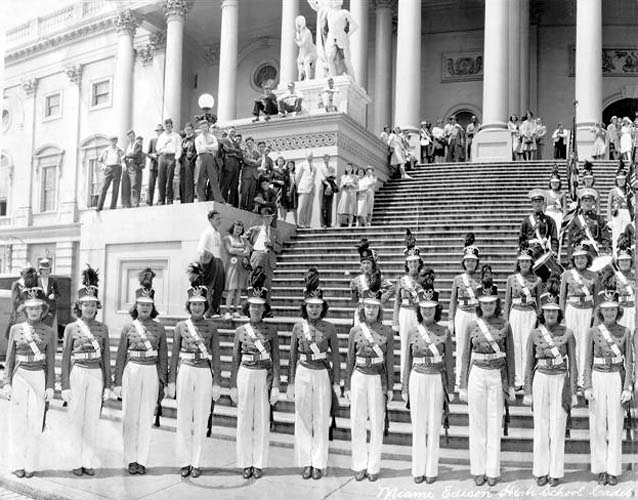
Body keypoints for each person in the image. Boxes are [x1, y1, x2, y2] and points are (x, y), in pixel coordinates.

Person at [522, 276, 577, 487]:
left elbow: (574, 362)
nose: (551, 313)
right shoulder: (535, 333)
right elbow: (528, 364)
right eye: (547, 310)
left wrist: (573, 392)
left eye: (554, 310)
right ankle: (540, 470)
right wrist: (527, 391)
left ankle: (555, 472)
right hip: (541, 378)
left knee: (557, 426)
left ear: (559, 312)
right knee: (541, 426)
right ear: (542, 313)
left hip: (560, 380)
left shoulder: (568, 333)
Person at [167, 265, 222, 479]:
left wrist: (217, 381)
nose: (197, 307)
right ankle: (184, 460)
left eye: (201, 304)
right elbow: (173, 355)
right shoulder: (180, 326)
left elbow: (216, 357)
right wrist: (171, 380)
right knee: (183, 417)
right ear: (188, 306)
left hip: (204, 373)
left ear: (205, 305)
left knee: (201, 417)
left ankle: (197, 461)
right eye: (194, 304)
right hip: (186, 370)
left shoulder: (212, 327)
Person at [459, 285, 515, 487]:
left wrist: (510, 384)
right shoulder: (471, 325)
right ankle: (478, 470)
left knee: (494, 423)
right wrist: (463, 385)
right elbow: (465, 355)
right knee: (477, 423)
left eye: (492, 302)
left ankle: (492, 470)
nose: (488, 306)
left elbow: (510, 356)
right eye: (485, 303)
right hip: (477, 373)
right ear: (479, 305)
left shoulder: (505, 325)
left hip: (497, 374)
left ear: (497, 304)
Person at [286, 268, 340, 480]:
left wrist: (336, 382)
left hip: (321, 374)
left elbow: (336, 357)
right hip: (302, 373)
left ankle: (319, 463)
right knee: (302, 417)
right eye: (311, 306)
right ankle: (306, 462)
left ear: (323, 307)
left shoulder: (330, 328)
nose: (314, 310)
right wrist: (290, 382)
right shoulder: (298, 328)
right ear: (305, 307)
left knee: (320, 417)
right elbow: (291, 357)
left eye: (318, 306)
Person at [113, 269, 168, 475]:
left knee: (145, 416)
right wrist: (117, 381)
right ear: (136, 306)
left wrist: (164, 380)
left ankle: (142, 459)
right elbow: (120, 356)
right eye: (141, 304)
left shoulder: (159, 328)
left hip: (151, 372)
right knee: (129, 415)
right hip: (132, 370)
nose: (145, 307)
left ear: (153, 307)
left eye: (148, 305)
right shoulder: (128, 327)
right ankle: (129, 459)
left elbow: (163, 357)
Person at [60, 265, 112, 476]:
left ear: (97, 306)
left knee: (92, 419)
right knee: (76, 418)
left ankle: (88, 461)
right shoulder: (71, 328)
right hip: (78, 373)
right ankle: (75, 461)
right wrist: (64, 385)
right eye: (85, 305)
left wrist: (108, 384)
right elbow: (64, 359)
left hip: (96, 374)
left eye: (92, 305)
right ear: (79, 306)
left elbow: (107, 358)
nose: (89, 309)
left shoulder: (103, 328)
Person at [229, 271, 280, 480]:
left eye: (260, 306)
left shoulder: (272, 330)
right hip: (245, 373)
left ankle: (258, 462)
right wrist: (232, 384)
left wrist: (276, 385)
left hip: (262, 375)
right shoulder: (240, 331)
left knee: (261, 419)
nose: (256, 309)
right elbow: (234, 360)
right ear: (247, 308)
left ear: (264, 309)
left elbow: (276, 360)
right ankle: (245, 462)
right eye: (253, 305)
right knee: (244, 418)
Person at [3, 284, 56, 478]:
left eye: (37, 308)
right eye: (30, 308)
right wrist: (6, 382)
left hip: (38, 376)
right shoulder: (16, 329)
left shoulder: (49, 331)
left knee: (35, 421)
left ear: (43, 310)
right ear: (25, 310)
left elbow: (50, 361)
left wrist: (50, 385)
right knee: (17, 421)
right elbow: (9, 358)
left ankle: (31, 464)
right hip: (20, 375)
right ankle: (17, 463)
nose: (34, 311)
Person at [583, 284, 633, 486]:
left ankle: (613, 470)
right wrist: (586, 385)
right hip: (597, 376)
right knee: (597, 426)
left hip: (616, 378)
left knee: (615, 425)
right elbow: (586, 361)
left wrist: (628, 387)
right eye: (606, 309)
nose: (610, 312)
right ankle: (600, 468)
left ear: (618, 310)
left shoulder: (625, 331)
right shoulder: (593, 331)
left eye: (613, 309)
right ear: (600, 311)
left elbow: (629, 362)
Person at [402, 287, 454, 484]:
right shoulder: (413, 331)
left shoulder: (445, 332)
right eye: (424, 308)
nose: (427, 311)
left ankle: (431, 469)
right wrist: (405, 387)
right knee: (418, 425)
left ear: (436, 309)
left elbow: (449, 362)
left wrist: (450, 389)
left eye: (431, 308)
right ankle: (418, 469)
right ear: (419, 309)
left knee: (433, 425)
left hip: (436, 379)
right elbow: (406, 361)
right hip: (417, 377)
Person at [344, 287, 394, 482]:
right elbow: (349, 359)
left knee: (376, 422)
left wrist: (390, 387)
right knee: (357, 421)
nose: (371, 310)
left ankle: (373, 466)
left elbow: (390, 362)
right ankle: (359, 464)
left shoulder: (387, 332)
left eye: (374, 307)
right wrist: (347, 385)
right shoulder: (355, 331)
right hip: (359, 376)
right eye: (367, 307)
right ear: (362, 308)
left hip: (377, 378)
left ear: (379, 309)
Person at [559, 241, 600, 390]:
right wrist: (562, 317)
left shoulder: (594, 275)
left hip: (587, 311)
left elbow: (597, 300)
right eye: (577, 258)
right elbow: (562, 298)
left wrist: (595, 318)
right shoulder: (566, 275)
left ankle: (584, 379)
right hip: (572, 310)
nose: (580, 260)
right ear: (573, 260)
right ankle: (573, 378)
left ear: (587, 259)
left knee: (585, 344)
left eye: (582, 257)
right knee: (572, 344)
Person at [504, 240, 541, 390]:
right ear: (518, 263)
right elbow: (507, 302)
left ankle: (528, 378)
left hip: (530, 314)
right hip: (516, 313)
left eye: (527, 261)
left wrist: (540, 319)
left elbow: (539, 302)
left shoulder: (537, 280)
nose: (524, 264)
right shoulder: (511, 279)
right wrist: (506, 320)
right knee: (516, 345)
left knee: (528, 345)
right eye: (522, 261)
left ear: (531, 263)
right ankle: (517, 379)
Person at [448, 233, 481, 390]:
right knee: (461, 347)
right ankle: (460, 380)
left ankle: (472, 378)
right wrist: (450, 319)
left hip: (475, 313)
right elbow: (453, 300)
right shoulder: (457, 279)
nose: (470, 264)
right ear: (464, 262)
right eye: (468, 261)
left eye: (473, 261)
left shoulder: (481, 280)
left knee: (475, 346)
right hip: (461, 313)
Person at [392, 229, 424, 385]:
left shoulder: (424, 280)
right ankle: (405, 379)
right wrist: (395, 322)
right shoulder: (402, 280)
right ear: (406, 264)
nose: (413, 265)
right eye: (410, 262)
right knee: (405, 345)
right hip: (404, 313)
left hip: (418, 314)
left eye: (415, 262)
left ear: (419, 263)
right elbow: (397, 301)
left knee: (418, 343)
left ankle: (417, 373)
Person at [350, 238, 394, 327]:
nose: (365, 265)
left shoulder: (379, 279)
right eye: (363, 263)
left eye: (368, 263)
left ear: (373, 264)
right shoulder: (357, 280)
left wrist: (381, 299)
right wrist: (353, 290)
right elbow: (355, 300)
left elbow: (392, 288)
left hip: (374, 312)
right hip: (360, 312)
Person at [244, 208, 281, 305]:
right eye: (266, 218)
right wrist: (249, 247)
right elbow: (243, 237)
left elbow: (279, 247)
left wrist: (272, 244)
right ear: (262, 218)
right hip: (257, 256)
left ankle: (267, 308)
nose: (268, 220)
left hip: (269, 258)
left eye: (270, 218)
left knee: (267, 284)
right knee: (254, 282)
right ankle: (252, 305)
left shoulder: (275, 232)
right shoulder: (255, 229)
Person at [565, 188, 611, 260]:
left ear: (593, 202)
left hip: (593, 252)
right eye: (585, 201)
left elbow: (605, 237)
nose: (588, 203)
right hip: (580, 252)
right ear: (581, 202)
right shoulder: (576, 220)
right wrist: (571, 256)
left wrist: (608, 250)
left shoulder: (598, 219)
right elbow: (570, 240)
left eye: (590, 201)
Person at [197, 209, 226, 318]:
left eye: (220, 218)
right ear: (210, 220)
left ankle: (215, 310)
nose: (219, 221)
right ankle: (208, 311)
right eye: (217, 219)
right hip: (210, 261)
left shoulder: (217, 233)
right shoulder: (207, 233)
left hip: (219, 261)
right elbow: (200, 249)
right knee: (209, 287)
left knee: (219, 287)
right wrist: (208, 260)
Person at [224, 221, 251, 319]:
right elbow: (230, 250)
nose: (238, 230)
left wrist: (240, 252)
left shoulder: (243, 239)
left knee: (239, 289)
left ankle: (235, 310)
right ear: (233, 228)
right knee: (231, 288)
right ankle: (227, 310)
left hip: (242, 266)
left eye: (240, 229)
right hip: (232, 265)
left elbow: (248, 251)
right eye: (237, 228)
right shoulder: (227, 238)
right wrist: (242, 251)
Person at [519, 189, 559, 254]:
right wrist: (523, 251)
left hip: (543, 251)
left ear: (543, 203)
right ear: (532, 203)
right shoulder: (526, 220)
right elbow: (521, 239)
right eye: (535, 202)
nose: (538, 204)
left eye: (540, 201)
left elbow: (554, 239)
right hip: (529, 252)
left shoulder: (549, 220)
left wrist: (554, 251)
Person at [5, 266, 38, 340]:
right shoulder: (17, 284)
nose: (31, 278)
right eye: (29, 276)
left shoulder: (32, 285)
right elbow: (15, 300)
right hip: (20, 315)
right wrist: (26, 304)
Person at [195, 120, 223, 202]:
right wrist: (209, 147)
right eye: (202, 127)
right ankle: (201, 198)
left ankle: (218, 199)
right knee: (200, 179)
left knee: (213, 178)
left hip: (210, 158)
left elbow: (216, 147)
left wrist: (205, 146)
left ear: (208, 127)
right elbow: (199, 149)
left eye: (206, 127)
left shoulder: (212, 137)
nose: (204, 128)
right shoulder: (198, 138)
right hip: (201, 158)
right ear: (200, 128)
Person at [156, 118, 182, 205]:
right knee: (161, 179)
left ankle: (169, 200)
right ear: (164, 127)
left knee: (169, 179)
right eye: (166, 126)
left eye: (169, 126)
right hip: (162, 157)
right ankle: (161, 200)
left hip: (171, 157)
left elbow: (179, 148)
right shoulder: (161, 136)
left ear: (172, 126)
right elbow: (158, 148)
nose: (168, 127)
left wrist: (176, 158)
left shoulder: (176, 136)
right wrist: (165, 144)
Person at [607, 162, 631, 256]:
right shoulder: (613, 191)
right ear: (616, 180)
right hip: (617, 214)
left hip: (627, 213)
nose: (621, 181)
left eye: (623, 180)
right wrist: (609, 219)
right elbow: (609, 206)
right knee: (616, 234)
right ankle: (615, 255)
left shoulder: (629, 191)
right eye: (619, 180)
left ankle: (626, 253)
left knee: (626, 234)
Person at [614, 230, 635, 334]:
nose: (624, 263)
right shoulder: (614, 277)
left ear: (631, 262)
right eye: (621, 260)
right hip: (620, 310)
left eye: (626, 260)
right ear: (618, 262)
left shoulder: (635, 276)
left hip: (633, 309)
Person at [96, 135, 125, 211]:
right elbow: (99, 161)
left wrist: (123, 165)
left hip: (117, 168)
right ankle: (99, 207)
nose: (113, 142)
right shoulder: (105, 151)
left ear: (117, 141)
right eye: (112, 141)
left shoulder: (120, 150)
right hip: (108, 168)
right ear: (109, 142)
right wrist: (104, 167)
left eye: (115, 141)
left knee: (115, 188)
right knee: (104, 187)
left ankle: (113, 206)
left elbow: (123, 160)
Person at [219, 129, 243, 207]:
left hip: (236, 167)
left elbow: (240, 154)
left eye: (234, 132)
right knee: (225, 184)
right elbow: (226, 149)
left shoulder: (236, 143)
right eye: (231, 131)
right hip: (228, 165)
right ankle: (222, 201)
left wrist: (233, 153)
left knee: (234, 186)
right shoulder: (225, 140)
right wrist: (235, 151)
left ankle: (232, 203)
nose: (232, 133)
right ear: (228, 132)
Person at [122, 130, 146, 208]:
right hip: (127, 166)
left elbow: (137, 154)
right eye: (129, 136)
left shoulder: (138, 144)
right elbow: (125, 155)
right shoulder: (127, 146)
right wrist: (126, 158)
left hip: (134, 165)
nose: (130, 137)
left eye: (132, 136)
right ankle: (127, 204)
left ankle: (135, 204)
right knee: (126, 185)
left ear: (134, 136)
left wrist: (128, 156)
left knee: (134, 185)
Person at [240, 137, 261, 212]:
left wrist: (252, 162)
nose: (249, 144)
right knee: (244, 192)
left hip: (254, 175)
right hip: (246, 174)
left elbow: (259, 163)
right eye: (248, 143)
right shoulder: (244, 151)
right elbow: (245, 161)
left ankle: (249, 208)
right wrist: (253, 161)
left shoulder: (257, 153)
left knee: (251, 193)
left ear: (253, 142)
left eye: (250, 142)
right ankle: (242, 207)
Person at [296, 151, 316, 228]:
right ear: (306, 156)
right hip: (303, 188)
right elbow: (298, 177)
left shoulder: (314, 167)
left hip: (311, 189)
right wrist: (298, 187)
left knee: (309, 208)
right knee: (302, 207)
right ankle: (300, 223)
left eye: (312, 156)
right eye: (309, 155)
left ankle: (307, 223)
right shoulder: (302, 165)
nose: (310, 157)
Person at [37, 258, 58, 330]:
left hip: (50, 310)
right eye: (44, 270)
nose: (47, 272)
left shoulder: (53, 281)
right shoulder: (36, 281)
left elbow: (58, 294)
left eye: (48, 270)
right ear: (40, 271)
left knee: (47, 329)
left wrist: (54, 295)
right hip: (39, 310)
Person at [545, 166, 566, 235]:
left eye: (556, 182)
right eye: (553, 182)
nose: (554, 184)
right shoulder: (547, 193)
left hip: (558, 215)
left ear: (559, 183)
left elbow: (565, 208)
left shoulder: (562, 194)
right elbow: (543, 207)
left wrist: (564, 218)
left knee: (557, 234)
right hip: (549, 214)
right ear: (550, 183)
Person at [178, 122, 196, 204]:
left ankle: (189, 201)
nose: (188, 131)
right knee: (182, 181)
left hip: (190, 161)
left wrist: (192, 156)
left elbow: (197, 151)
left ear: (192, 130)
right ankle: (183, 201)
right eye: (186, 129)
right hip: (182, 161)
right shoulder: (183, 140)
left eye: (189, 129)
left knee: (189, 181)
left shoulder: (195, 139)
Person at [295, 15, 317, 80]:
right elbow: (301, 46)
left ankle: (308, 78)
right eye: (297, 24)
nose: (298, 26)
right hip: (303, 52)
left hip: (311, 52)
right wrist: (298, 35)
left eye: (299, 24)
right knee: (299, 62)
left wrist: (297, 40)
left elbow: (302, 44)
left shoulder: (307, 32)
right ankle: (301, 77)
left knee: (306, 61)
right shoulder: (299, 33)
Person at [146, 124, 163, 206]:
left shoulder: (165, 140)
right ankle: (149, 202)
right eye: (158, 131)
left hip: (161, 166)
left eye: (160, 131)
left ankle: (160, 201)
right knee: (151, 184)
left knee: (161, 185)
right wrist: (153, 155)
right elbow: (148, 153)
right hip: (153, 166)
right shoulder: (153, 140)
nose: (159, 132)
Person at [337, 162, 358, 227]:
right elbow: (340, 187)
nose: (349, 169)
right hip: (345, 194)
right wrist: (344, 184)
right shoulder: (343, 177)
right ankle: (338, 224)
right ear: (346, 168)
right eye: (348, 167)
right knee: (340, 209)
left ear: (352, 169)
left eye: (350, 167)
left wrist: (351, 184)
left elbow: (357, 186)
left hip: (352, 194)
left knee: (350, 210)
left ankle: (350, 224)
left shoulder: (355, 177)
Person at [320, 161, 338, 228]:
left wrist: (330, 177)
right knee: (323, 207)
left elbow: (334, 177)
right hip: (324, 189)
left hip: (331, 190)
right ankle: (323, 223)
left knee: (329, 207)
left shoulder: (332, 172)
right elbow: (322, 179)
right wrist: (328, 184)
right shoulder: (322, 170)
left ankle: (328, 223)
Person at [281, 159, 298, 225]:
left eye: (292, 165)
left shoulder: (295, 173)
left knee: (294, 208)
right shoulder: (286, 173)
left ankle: (296, 223)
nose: (291, 166)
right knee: (285, 207)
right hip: (287, 191)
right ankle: (284, 221)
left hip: (294, 192)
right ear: (287, 166)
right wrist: (288, 191)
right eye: (289, 165)